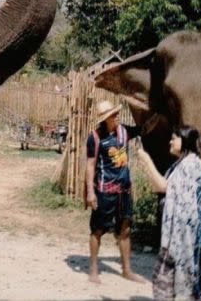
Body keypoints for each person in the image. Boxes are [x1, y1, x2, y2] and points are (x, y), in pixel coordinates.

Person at [136, 125, 201, 301]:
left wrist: (146, 161)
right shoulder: (181, 164)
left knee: (184, 285)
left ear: (185, 141)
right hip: (176, 236)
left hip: (188, 239)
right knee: (165, 281)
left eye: (174, 138)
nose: (170, 141)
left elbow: (163, 187)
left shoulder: (191, 165)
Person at [85, 100, 146, 284]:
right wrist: (90, 192)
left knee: (125, 230)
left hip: (124, 191)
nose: (117, 116)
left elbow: (144, 127)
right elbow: (90, 165)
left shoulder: (124, 131)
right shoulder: (95, 138)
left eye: (117, 113)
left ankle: (126, 270)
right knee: (98, 230)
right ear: (105, 119)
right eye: (113, 114)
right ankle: (94, 269)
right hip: (105, 191)